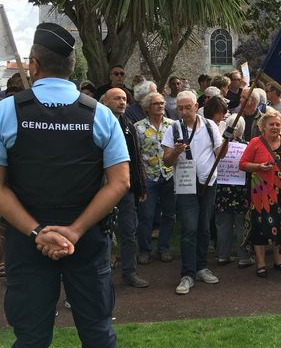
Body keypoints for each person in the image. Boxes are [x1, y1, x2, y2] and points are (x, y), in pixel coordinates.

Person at [0, 23, 129, 346]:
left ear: (34, 64)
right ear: (72, 66)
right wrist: (75, 230)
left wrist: (36, 231)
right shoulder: (101, 115)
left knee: (30, 337)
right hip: (86, 238)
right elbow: (120, 182)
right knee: (98, 333)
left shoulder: (6, 112)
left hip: (27, 236)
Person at [162, 90, 223, 294]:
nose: (184, 111)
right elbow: (167, 161)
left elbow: (218, 154)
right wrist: (177, 151)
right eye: (180, 108)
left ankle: (201, 267)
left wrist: (228, 141)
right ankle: (187, 273)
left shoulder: (209, 125)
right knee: (189, 228)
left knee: (204, 227)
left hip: (208, 182)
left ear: (196, 107)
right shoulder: (173, 128)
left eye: (188, 107)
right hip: (186, 184)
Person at [239, 107, 281, 278]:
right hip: (261, 194)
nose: (275, 127)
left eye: (278, 124)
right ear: (263, 126)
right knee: (260, 228)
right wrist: (258, 167)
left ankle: (279, 261)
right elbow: (242, 164)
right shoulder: (256, 142)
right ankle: (261, 264)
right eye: (271, 124)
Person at [101, 88, 149, 287]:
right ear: (105, 101)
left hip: (125, 189)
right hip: (101, 190)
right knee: (101, 233)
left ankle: (129, 272)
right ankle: (100, 274)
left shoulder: (128, 125)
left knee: (129, 231)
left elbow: (136, 158)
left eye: (124, 99)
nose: (122, 102)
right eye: (117, 98)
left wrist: (141, 187)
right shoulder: (96, 123)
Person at [134, 92, 176, 264]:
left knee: (169, 214)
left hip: (169, 175)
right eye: (156, 103)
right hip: (148, 176)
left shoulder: (173, 125)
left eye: (162, 103)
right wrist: (141, 176)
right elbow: (136, 154)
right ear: (147, 107)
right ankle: (144, 250)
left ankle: (164, 247)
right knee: (146, 215)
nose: (160, 106)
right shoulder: (138, 127)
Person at [214, 116, 254, 268]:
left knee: (223, 224)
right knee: (241, 223)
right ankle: (244, 257)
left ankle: (222, 255)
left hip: (222, 190)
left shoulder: (219, 146)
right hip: (241, 191)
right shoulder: (247, 145)